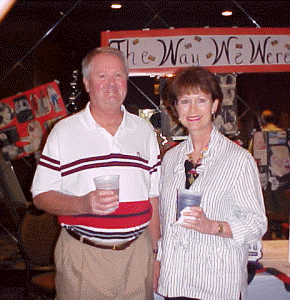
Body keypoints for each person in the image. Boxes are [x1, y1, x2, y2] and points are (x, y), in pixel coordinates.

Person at [30, 47, 161, 300]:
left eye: (119, 75)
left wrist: (155, 255)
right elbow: (40, 195)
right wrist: (83, 203)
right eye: (102, 76)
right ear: (87, 83)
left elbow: (152, 197)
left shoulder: (144, 131)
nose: (112, 84)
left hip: (138, 255)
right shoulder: (64, 131)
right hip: (84, 257)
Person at [157, 67, 267, 299]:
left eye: (201, 100)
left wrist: (213, 226)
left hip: (217, 283)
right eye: (185, 101)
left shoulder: (238, 160)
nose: (193, 109)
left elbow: (256, 224)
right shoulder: (171, 159)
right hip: (176, 281)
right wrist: (159, 261)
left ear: (215, 105)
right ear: (175, 108)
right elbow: (165, 221)